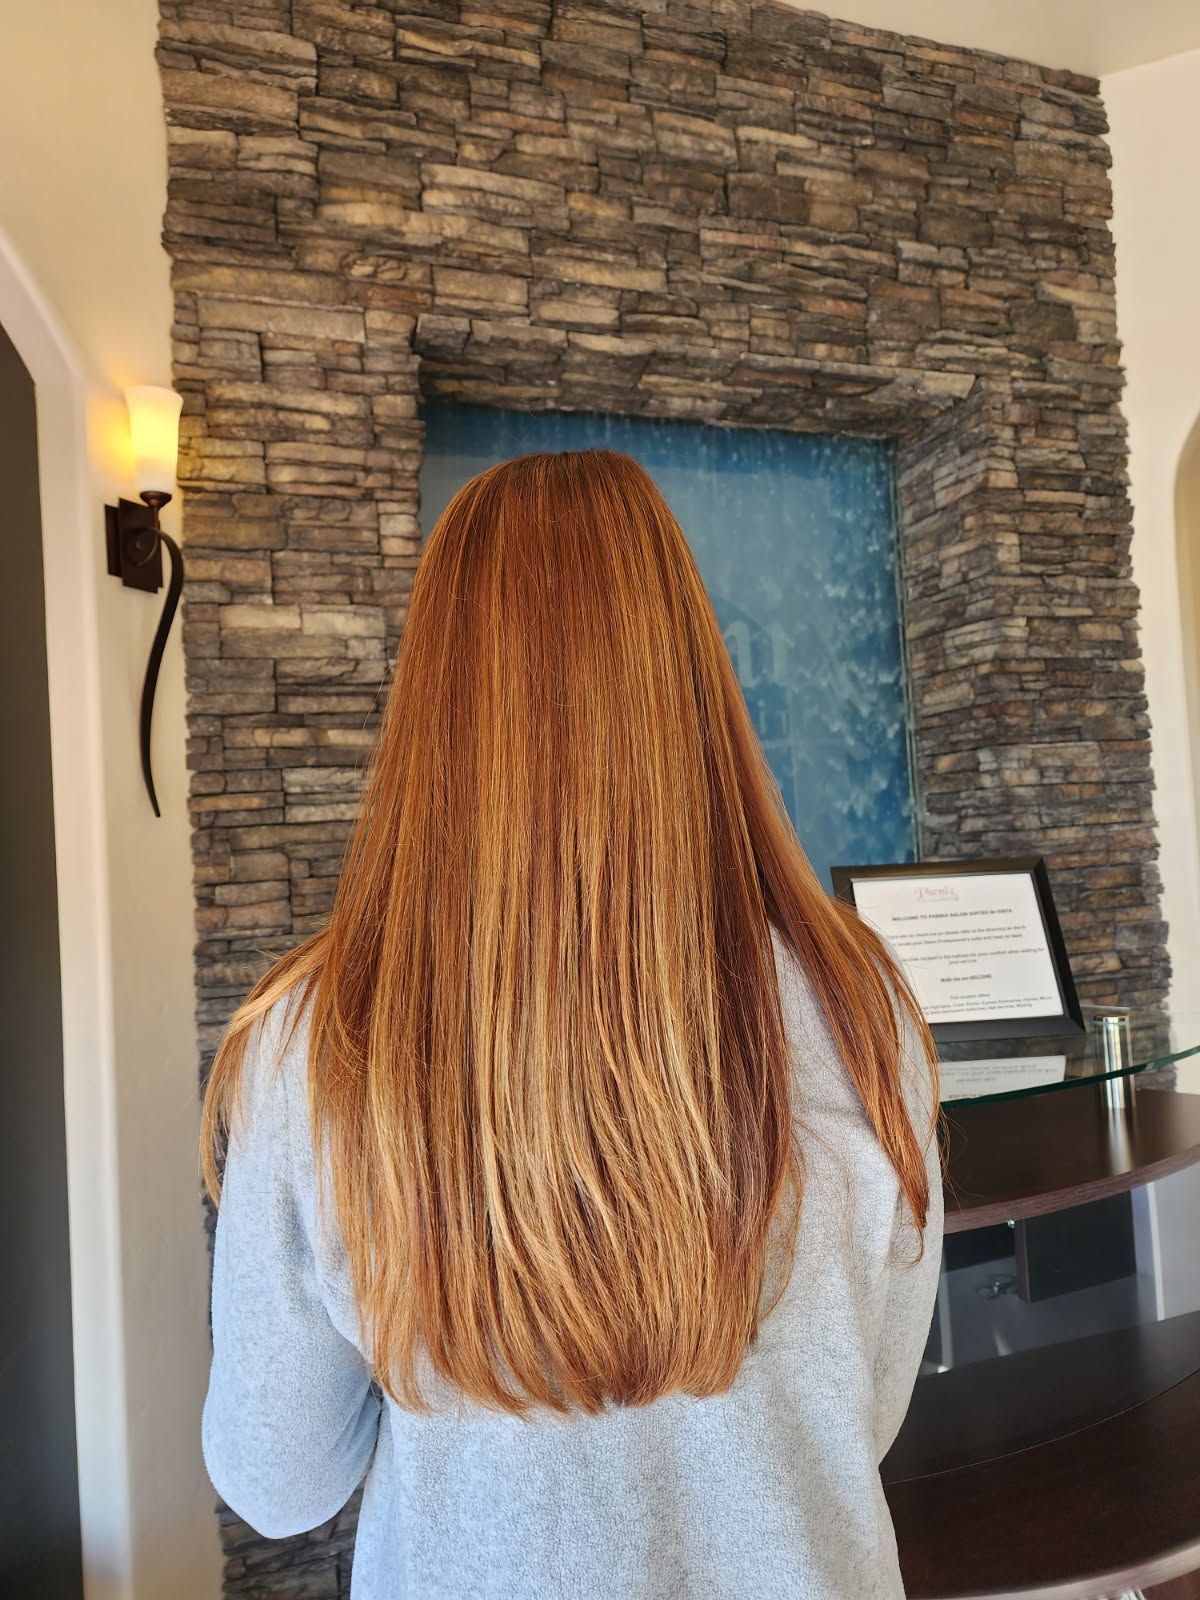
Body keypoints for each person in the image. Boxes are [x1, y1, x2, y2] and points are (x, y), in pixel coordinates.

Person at [199, 448, 943, 1599]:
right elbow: (870, 1412)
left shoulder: (317, 1040)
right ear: (688, 667)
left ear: (436, 697)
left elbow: (277, 1478)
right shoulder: (863, 1002)